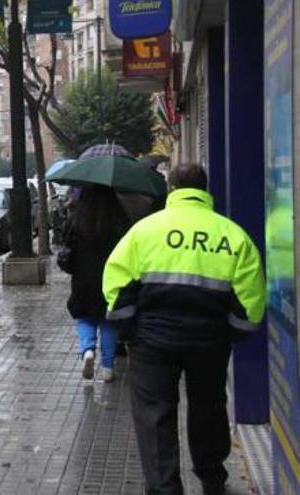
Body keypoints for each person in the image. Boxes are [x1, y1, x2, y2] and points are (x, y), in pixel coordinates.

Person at [103, 163, 265, 495]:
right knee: (208, 407)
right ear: (204, 191)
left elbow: (116, 285)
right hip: (209, 341)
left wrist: (131, 330)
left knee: (154, 414)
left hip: (152, 342)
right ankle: (211, 476)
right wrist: (230, 334)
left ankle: (165, 488)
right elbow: (250, 302)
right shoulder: (232, 235)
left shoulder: (144, 231)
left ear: (172, 189)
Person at [65, 185, 132, 383]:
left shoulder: (77, 217)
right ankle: (108, 368)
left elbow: (66, 244)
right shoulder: (120, 218)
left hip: (83, 276)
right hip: (112, 276)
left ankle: (87, 350)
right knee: (108, 320)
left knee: (85, 317)